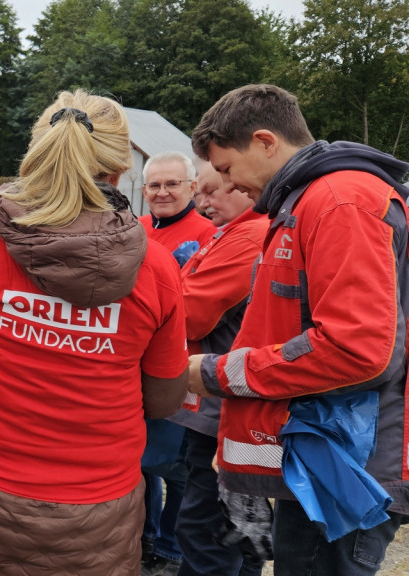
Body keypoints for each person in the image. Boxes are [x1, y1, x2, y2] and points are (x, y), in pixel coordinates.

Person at [0, 89, 189, 576]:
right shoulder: (157, 269)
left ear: (36, 155)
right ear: (120, 170)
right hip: (96, 517)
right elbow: (163, 400)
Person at [188, 83, 409, 576]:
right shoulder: (308, 200)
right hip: (325, 455)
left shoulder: (339, 201)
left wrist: (216, 373)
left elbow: (357, 349)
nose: (228, 185)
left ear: (266, 141)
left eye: (225, 169)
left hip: (348, 468)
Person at [171, 161, 268, 576]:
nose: (202, 203)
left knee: (205, 528)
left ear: (244, 187)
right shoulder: (232, 234)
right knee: (240, 529)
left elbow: (189, 313)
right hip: (235, 402)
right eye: (199, 193)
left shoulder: (248, 236)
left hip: (224, 407)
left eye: (212, 191)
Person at [137, 150, 217, 575]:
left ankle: (171, 545)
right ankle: (145, 539)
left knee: (179, 468)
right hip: (133, 366)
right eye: (155, 185)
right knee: (140, 464)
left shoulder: (206, 233)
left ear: (191, 187)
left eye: (172, 184)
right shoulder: (135, 229)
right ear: (144, 190)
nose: (163, 192)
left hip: (179, 369)